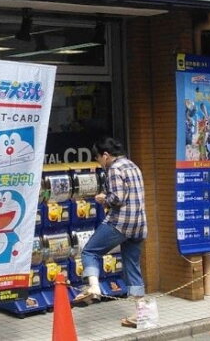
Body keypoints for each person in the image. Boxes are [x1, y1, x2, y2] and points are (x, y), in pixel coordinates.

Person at [72, 136, 148, 326]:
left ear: (105, 155)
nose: (99, 162)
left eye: (98, 158)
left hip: (120, 223)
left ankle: (94, 288)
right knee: (132, 266)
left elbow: (118, 198)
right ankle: (141, 313)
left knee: (89, 251)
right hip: (139, 224)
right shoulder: (132, 165)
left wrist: (103, 198)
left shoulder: (114, 168)